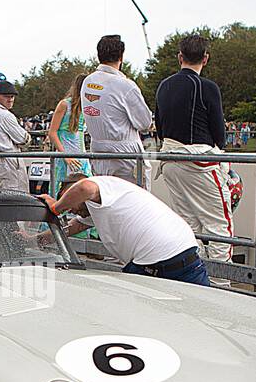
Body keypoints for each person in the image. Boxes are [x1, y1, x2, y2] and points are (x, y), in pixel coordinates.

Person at [154, 33, 240, 262]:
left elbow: (160, 129)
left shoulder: (164, 86)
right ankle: (222, 285)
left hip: (170, 161)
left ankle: (196, 280)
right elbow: (219, 135)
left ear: (179, 57)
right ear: (205, 58)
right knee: (219, 227)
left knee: (188, 227)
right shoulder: (208, 87)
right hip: (200, 163)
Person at [43, 172, 209, 286]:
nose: (70, 207)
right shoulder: (100, 206)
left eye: (69, 198)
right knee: (202, 313)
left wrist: (57, 207)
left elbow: (84, 188)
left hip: (154, 262)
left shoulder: (100, 186)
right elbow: (73, 227)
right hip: (185, 256)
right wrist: (36, 239)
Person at [81, 35, 151, 184]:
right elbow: (144, 123)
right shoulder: (125, 85)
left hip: (98, 154)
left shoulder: (88, 82)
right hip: (126, 156)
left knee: (104, 200)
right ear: (121, 56)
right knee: (133, 202)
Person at [46, 74, 89, 198]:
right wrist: (65, 156)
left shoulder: (86, 107)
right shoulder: (64, 105)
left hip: (81, 157)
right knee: (60, 193)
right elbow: (52, 132)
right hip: (65, 156)